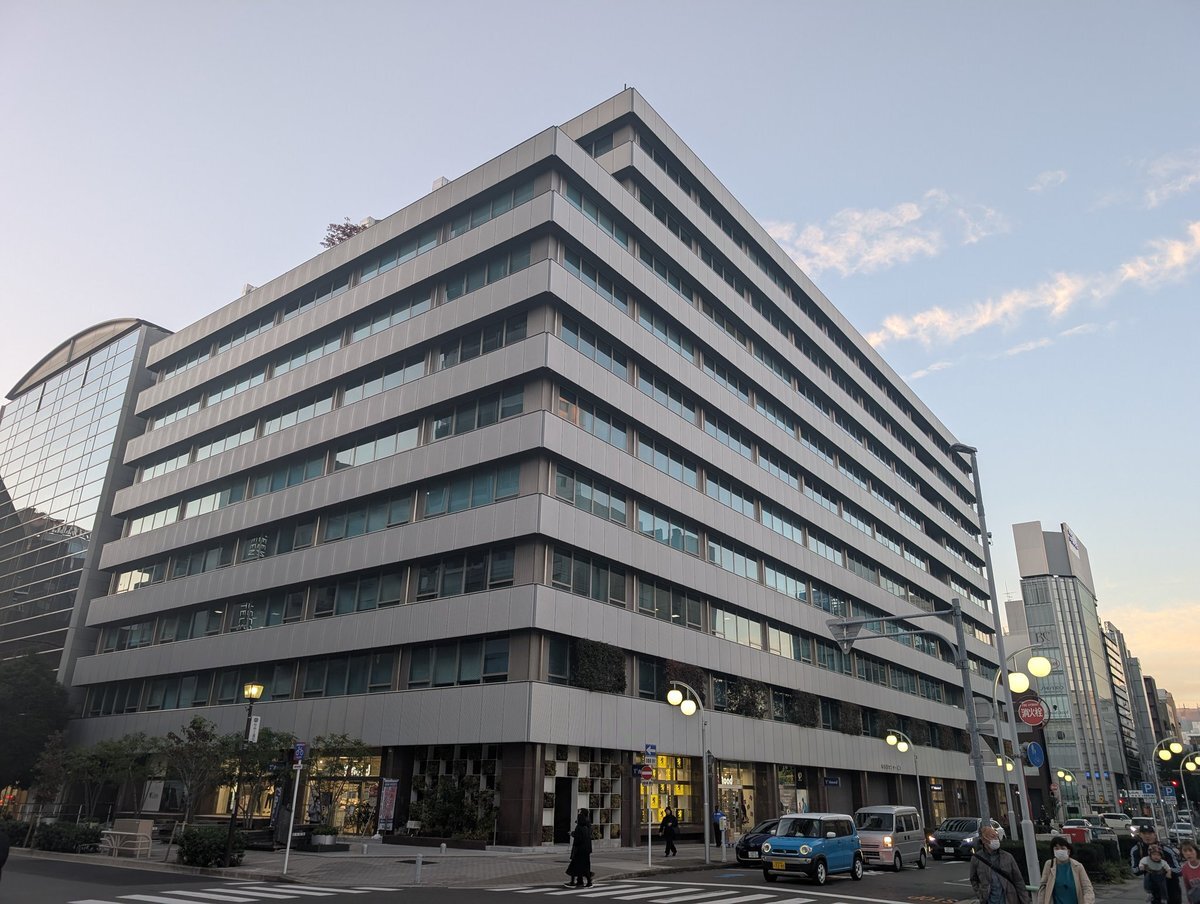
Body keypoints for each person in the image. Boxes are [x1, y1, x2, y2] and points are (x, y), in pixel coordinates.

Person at [970, 824, 1031, 904]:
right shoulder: (977, 859)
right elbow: (973, 879)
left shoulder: (1007, 857)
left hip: (1009, 899)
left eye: (996, 837)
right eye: (992, 837)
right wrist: (980, 895)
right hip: (989, 900)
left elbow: (1018, 880)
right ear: (984, 840)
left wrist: (1025, 900)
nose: (996, 840)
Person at [1036, 835, 1095, 904]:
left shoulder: (1078, 866)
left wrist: (1087, 902)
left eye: (1062, 848)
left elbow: (1087, 888)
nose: (1059, 850)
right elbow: (1043, 887)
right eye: (1056, 848)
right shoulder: (1049, 865)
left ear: (1068, 851)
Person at [565, 809, 594, 888]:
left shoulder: (581, 826)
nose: (578, 813)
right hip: (585, 849)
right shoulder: (587, 824)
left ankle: (584, 881)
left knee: (577, 865)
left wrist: (573, 834)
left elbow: (580, 837)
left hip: (580, 849)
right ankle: (580, 881)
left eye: (580, 812)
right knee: (582, 866)